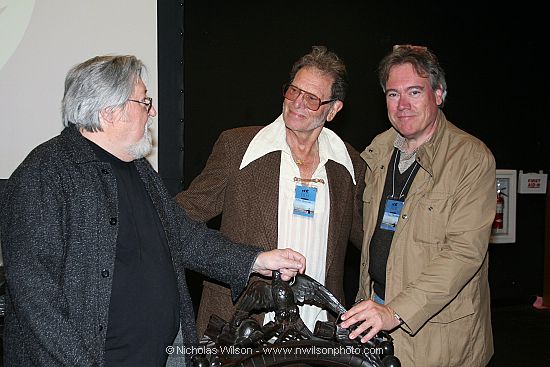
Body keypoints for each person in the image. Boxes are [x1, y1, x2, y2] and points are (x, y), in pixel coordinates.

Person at [0, 55, 306, 367]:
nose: (153, 111)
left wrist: (256, 260)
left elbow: (184, 238)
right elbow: (35, 295)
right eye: (144, 101)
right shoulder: (44, 174)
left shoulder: (140, 170)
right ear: (110, 112)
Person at [176, 46, 366, 336]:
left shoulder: (348, 164)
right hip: (240, 328)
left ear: (333, 109)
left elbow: (369, 241)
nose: (298, 103)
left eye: (312, 98)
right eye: (293, 91)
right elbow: (181, 216)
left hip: (317, 334)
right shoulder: (238, 148)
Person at [340, 45, 495, 367]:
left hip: (436, 332)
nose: (403, 105)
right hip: (377, 314)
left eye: (414, 91)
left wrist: (395, 312)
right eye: (393, 94)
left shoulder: (471, 159)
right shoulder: (378, 151)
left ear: (438, 94)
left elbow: (464, 253)